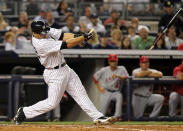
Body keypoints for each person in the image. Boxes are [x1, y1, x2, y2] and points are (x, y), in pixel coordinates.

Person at [13, 20, 115, 125]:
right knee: (52, 103)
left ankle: (97, 116)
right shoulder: (40, 43)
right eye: (41, 33)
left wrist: (80, 35)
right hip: (54, 73)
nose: (44, 34)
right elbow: (67, 44)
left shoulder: (45, 30)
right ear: (34, 33)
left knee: (81, 94)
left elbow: (63, 35)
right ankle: (24, 112)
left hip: (65, 68)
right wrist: (82, 38)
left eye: (45, 32)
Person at [93, 54, 129, 120]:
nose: (114, 62)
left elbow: (127, 77)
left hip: (116, 92)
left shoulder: (121, 68)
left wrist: (118, 76)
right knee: (102, 113)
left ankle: (117, 117)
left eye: (115, 61)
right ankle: (100, 121)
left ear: (117, 61)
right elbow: (95, 78)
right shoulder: (104, 70)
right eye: (112, 61)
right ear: (109, 62)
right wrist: (99, 89)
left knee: (119, 96)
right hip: (106, 91)